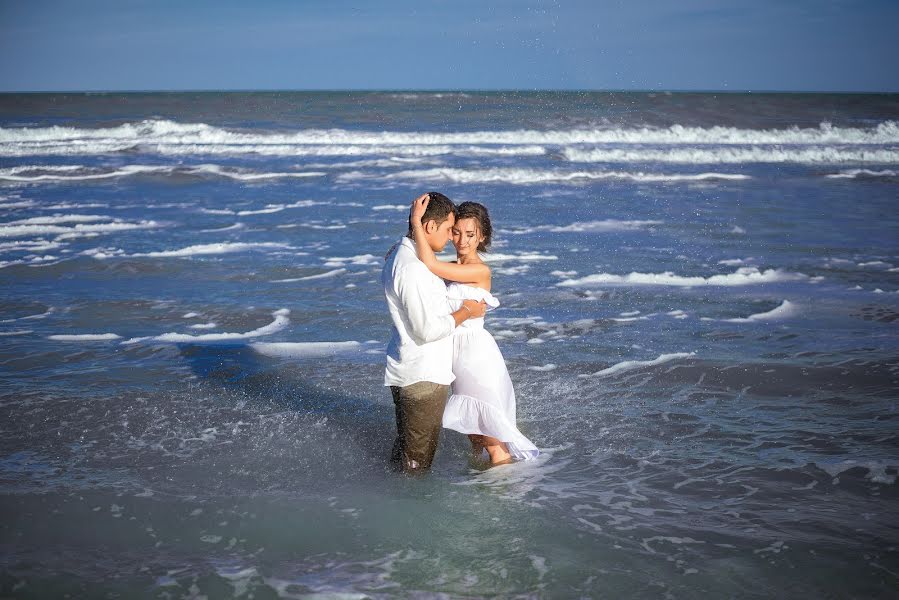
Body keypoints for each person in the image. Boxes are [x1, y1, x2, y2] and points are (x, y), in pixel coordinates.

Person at [410, 193, 539, 465]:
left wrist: (416, 222)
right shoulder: (455, 267)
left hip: (476, 357)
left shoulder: (480, 271)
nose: (462, 241)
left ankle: (499, 498)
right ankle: (480, 487)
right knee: (475, 437)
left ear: (482, 237)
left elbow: (429, 264)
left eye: (470, 234)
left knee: (492, 441)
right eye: (456, 233)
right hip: (457, 356)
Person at [382, 192, 488, 474]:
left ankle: (390, 498)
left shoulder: (405, 255)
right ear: (429, 227)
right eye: (448, 230)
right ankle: (409, 511)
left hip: (412, 368)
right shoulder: (413, 269)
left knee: (406, 452)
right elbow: (427, 330)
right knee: (417, 464)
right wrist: (466, 312)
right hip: (423, 378)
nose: (452, 239)